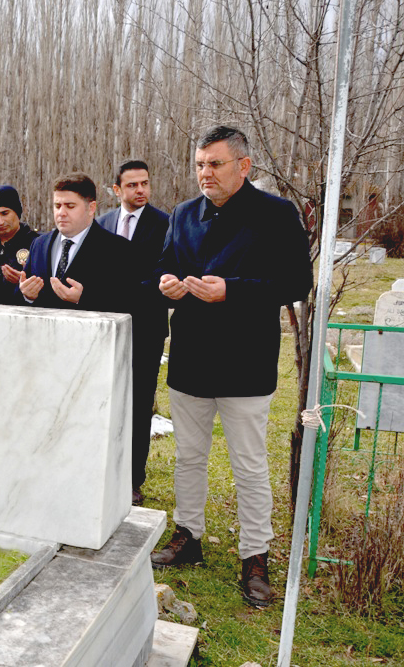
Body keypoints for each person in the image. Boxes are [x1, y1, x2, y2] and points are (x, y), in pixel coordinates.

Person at [150, 125, 312, 608]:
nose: (205, 173)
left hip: (246, 361)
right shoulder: (182, 214)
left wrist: (232, 290)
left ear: (244, 166)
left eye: (215, 164)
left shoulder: (276, 214)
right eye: (199, 164)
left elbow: (295, 282)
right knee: (189, 456)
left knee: (248, 464)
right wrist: (166, 283)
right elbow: (165, 266)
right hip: (192, 359)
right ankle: (188, 537)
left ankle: (255, 558)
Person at [96, 160, 171, 506]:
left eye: (145, 183)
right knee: (106, 401)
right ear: (116, 190)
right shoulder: (104, 223)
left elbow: (162, 275)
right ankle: (102, 472)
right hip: (108, 328)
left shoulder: (164, 224)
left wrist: (121, 293)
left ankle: (132, 481)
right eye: (132, 185)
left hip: (145, 327)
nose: (140, 190)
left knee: (139, 404)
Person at [18, 173, 134, 315]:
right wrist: (28, 296)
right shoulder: (39, 245)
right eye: (57, 206)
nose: (61, 213)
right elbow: (22, 300)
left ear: (91, 208)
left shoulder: (118, 249)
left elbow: (129, 304)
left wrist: (83, 299)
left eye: (70, 206)